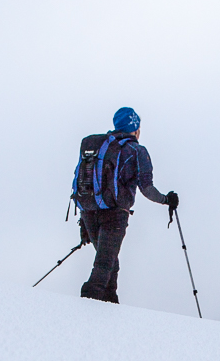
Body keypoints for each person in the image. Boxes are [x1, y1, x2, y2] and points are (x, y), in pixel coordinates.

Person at [72, 107, 177, 304]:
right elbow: (147, 189)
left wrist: (84, 223)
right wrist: (166, 200)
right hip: (115, 215)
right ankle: (86, 306)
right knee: (104, 264)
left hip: (88, 212)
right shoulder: (137, 151)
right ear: (136, 129)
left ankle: (110, 305)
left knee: (111, 262)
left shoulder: (98, 145)